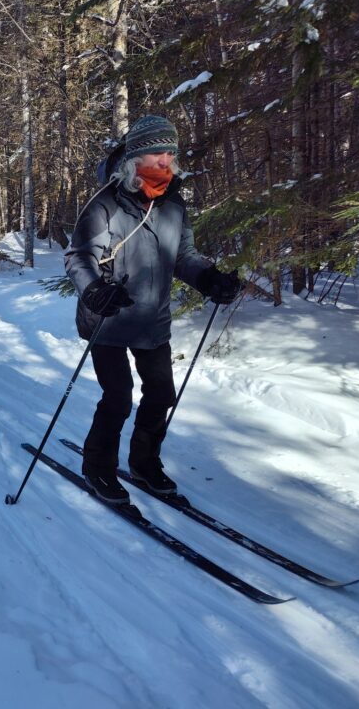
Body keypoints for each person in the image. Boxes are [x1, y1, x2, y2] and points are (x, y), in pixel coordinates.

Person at [64, 115, 242, 504]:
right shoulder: (105, 203)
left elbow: (185, 256)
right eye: (156, 153)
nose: (164, 161)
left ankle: (144, 464)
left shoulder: (174, 206)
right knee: (118, 397)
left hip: (152, 321)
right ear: (134, 158)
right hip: (107, 319)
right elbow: (79, 257)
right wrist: (95, 291)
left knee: (161, 394)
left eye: (170, 154)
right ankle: (97, 467)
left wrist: (210, 279)